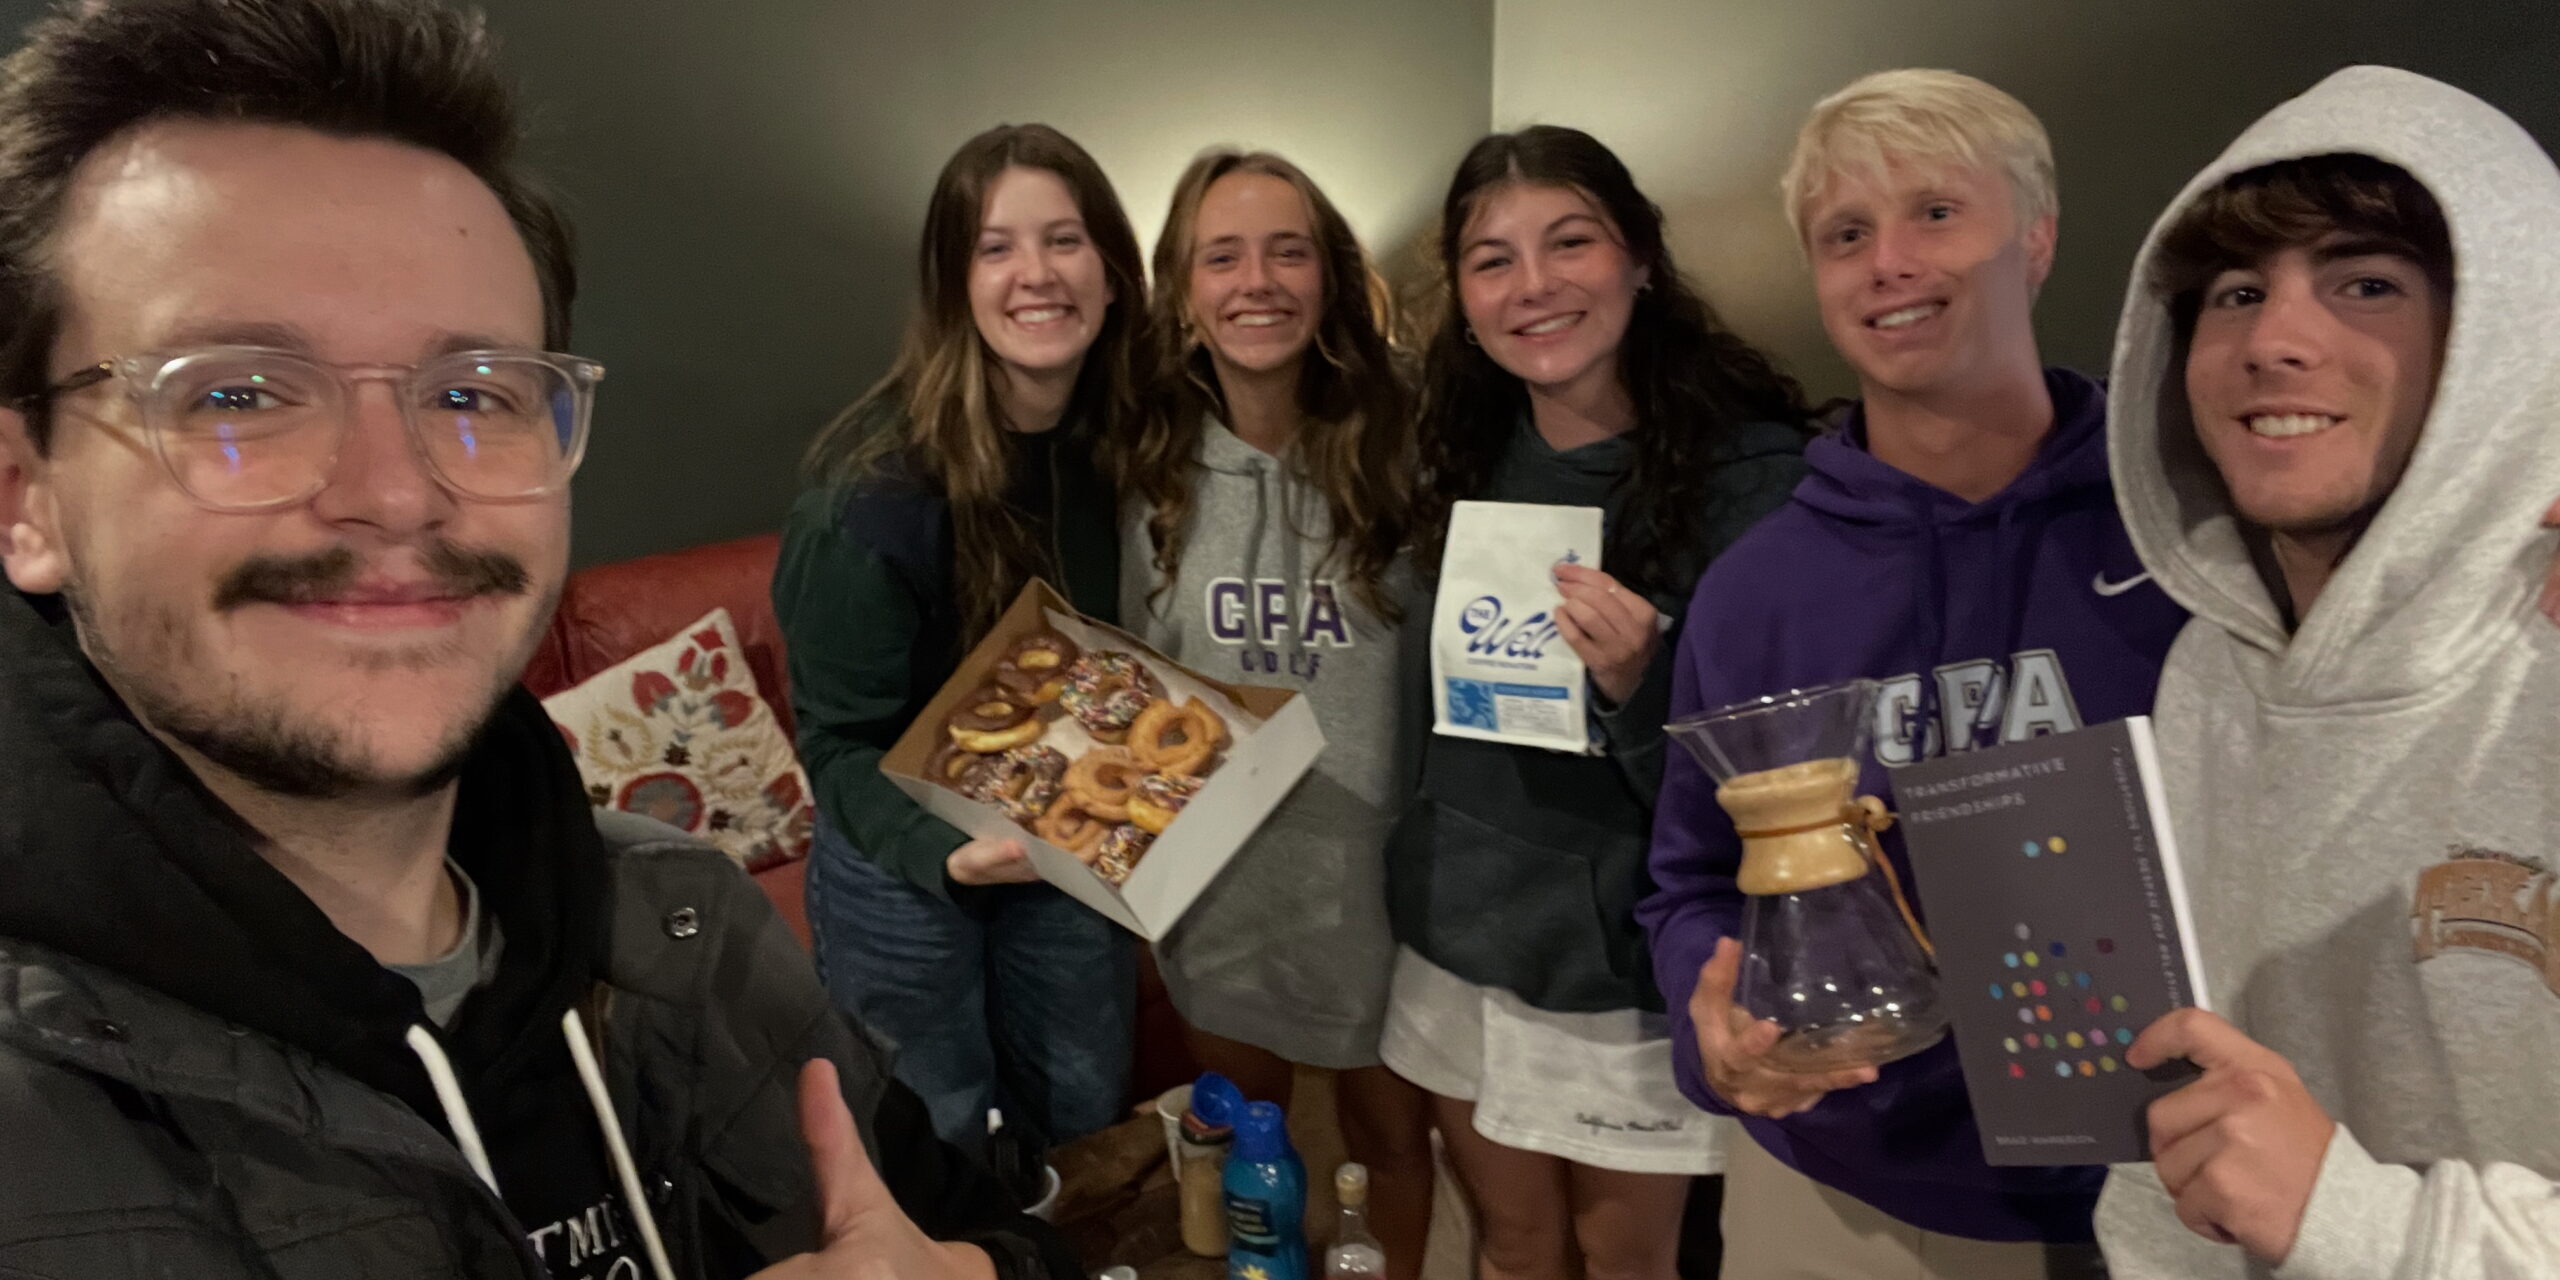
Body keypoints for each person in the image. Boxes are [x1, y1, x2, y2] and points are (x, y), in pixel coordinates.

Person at [0, 0, 1072, 1277]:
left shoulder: (688, 927)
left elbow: (979, 1233)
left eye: (473, 391)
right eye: (237, 391)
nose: (397, 491)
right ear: (24, 497)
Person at [1639, 69, 2183, 1279]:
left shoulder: (2187, 536)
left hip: (2162, 1176)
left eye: (1935, 212)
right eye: (1845, 233)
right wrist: (1713, 1024)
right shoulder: (1757, 590)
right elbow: (1690, 885)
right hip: (1843, 1181)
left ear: (2035, 237)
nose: (1887, 262)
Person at [2095, 65, 2560, 1279]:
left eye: (2366, 284)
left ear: (2501, 334)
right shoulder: (2207, 670)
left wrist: (2353, 1219)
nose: (2272, 342)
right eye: (2236, 293)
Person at [1381, 125, 1809, 1280]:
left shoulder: (1751, 481)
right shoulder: (1446, 457)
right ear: (1462, 297)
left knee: (1623, 1258)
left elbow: (1777, 774)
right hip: (1459, 930)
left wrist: (1639, 681)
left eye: (1569, 242)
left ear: (1640, 259)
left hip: (1623, 959)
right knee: (1514, 1246)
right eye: (1492, 259)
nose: (1533, 285)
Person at [772, 122, 1149, 1154]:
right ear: (954, 284)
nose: (1037, 273)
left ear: (1112, 269)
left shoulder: (1139, 441)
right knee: (931, 1137)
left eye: (1064, 239)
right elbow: (838, 741)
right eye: (995, 247)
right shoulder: (871, 492)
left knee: (1082, 1110)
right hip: (900, 849)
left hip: (1065, 825)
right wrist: (947, 851)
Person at [1117, 147, 1434, 1278]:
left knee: (1389, 1145)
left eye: (1287, 251)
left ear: (1330, 276)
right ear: (1182, 291)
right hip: (1221, 889)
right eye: (1223, 257)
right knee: (1250, 1158)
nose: (1257, 281)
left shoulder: (1408, 450)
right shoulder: (1143, 470)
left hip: (1380, 886)